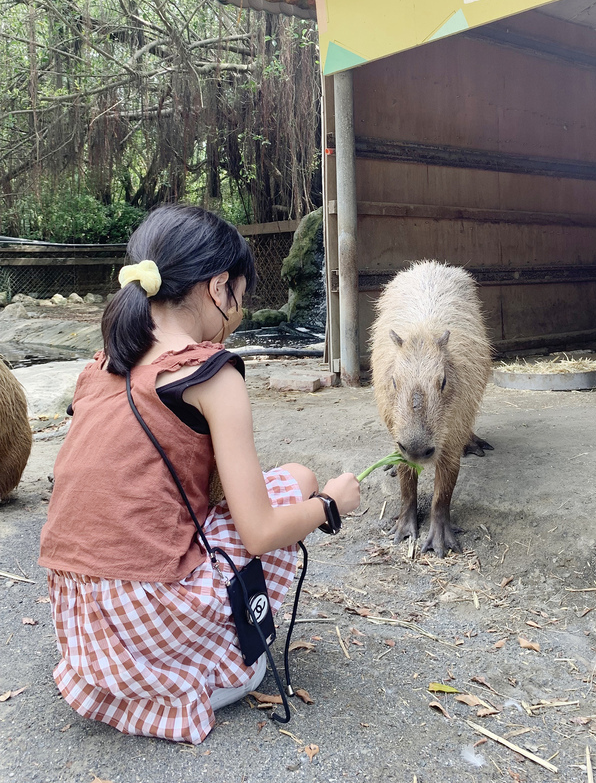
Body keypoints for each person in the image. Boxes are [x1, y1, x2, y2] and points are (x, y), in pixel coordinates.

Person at [39, 204, 360, 744]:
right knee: (299, 481)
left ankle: (129, 679)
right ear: (218, 289)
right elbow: (257, 530)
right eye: (240, 294)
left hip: (82, 619)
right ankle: (204, 673)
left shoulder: (99, 365)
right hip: (150, 610)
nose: (239, 310)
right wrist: (329, 506)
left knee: (274, 488)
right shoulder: (213, 372)